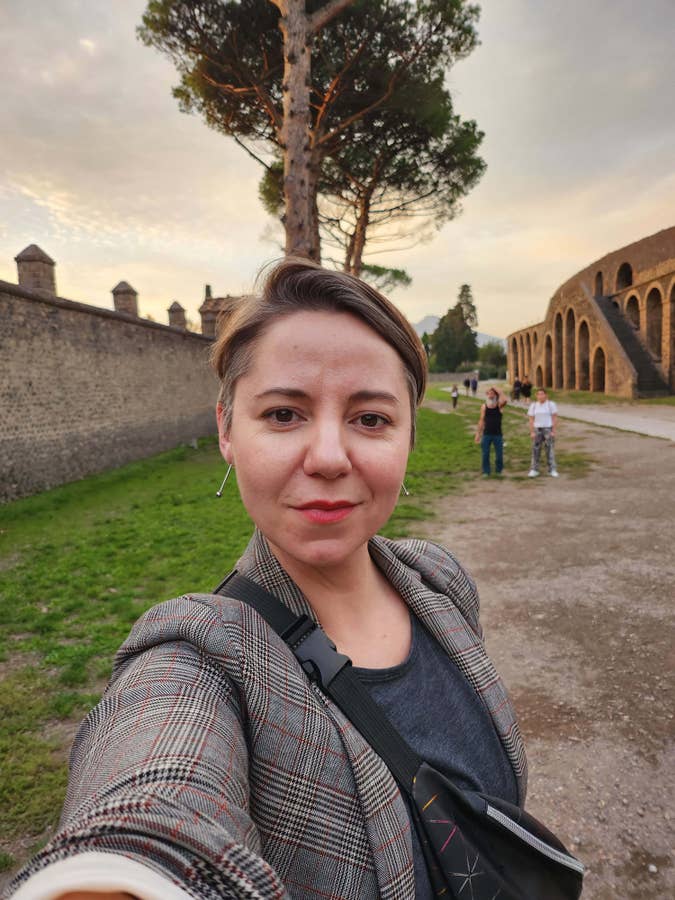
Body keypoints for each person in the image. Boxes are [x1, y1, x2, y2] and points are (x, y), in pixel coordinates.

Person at [8, 261, 526, 900]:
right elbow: (154, 797)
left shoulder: (439, 578)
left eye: (371, 419)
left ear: (409, 436)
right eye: (284, 414)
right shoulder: (198, 659)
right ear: (226, 431)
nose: (329, 458)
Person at [474, 385, 508, 476]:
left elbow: (505, 400)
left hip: (498, 434)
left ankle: (498, 471)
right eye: (489, 393)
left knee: (499, 455)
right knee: (485, 454)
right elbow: (481, 420)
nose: (490, 395)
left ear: (496, 395)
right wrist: (478, 434)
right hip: (486, 434)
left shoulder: (499, 406)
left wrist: (496, 388)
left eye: (492, 393)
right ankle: (486, 471)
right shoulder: (484, 406)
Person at [528, 387, 559, 477]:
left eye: (542, 394)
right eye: (539, 394)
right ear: (536, 396)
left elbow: (554, 418)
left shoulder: (551, 404)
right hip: (537, 429)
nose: (540, 396)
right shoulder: (534, 405)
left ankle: (552, 469)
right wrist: (532, 432)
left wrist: (553, 431)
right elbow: (531, 419)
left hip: (548, 429)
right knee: (536, 450)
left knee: (550, 449)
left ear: (546, 395)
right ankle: (534, 469)